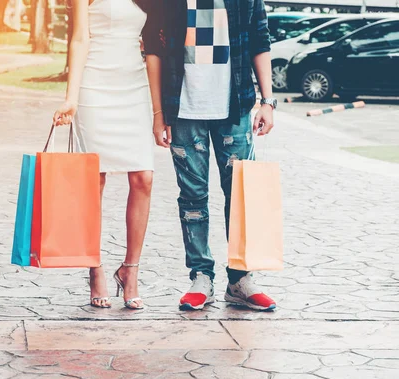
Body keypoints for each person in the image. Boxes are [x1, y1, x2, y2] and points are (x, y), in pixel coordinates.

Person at [144, 0, 278, 311]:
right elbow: (153, 47)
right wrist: (158, 111)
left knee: (242, 196)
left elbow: (260, 38)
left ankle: (241, 279)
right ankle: (201, 276)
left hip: (235, 106)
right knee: (192, 197)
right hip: (183, 107)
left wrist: (268, 101)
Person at [53, 0, 162, 310]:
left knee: (144, 177)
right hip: (94, 86)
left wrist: (158, 112)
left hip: (134, 86)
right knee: (94, 180)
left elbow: (154, 44)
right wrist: (71, 98)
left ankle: (130, 270)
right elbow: (80, 38)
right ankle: (95, 268)